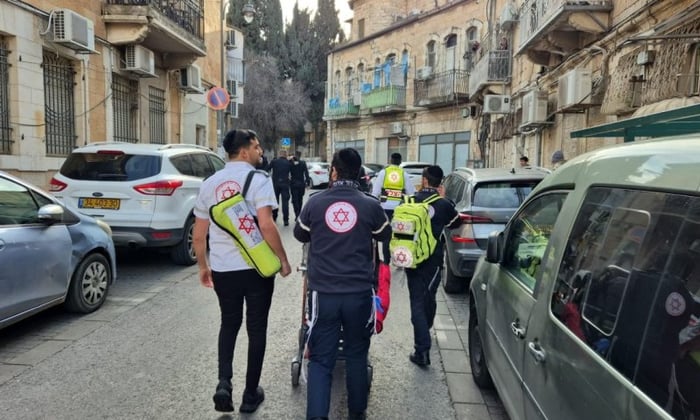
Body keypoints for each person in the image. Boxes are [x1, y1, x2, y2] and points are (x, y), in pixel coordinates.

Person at [192, 129, 292, 414]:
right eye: (257, 147)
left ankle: (224, 382)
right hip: (257, 269)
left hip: (224, 269)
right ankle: (250, 394)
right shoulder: (259, 180)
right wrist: (282, 260)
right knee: (256, 328)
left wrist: (203, 266)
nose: (261, 152)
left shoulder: (209, 184)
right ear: (245, 150)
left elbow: (199, 236)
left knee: (229, 323)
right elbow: (267, 225)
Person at [294, 148, 391, 420]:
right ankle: (357, 413)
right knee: (357, 354)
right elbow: (385, 234)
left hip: (323, 293)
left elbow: (300, 233)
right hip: (359, 293)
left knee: (321, 359)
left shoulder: (316, 202)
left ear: (333, 171)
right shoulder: (370, 205)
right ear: (360, 173)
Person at [404, 166, 460, 367]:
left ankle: (422, 342)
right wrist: (444, 198)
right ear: (440, 183)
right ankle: (423, 346)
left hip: (411, 258)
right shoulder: (444, 204)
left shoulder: (410, 200)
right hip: (433, 261)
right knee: (428, 296)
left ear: (424, 180)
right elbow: (455, 223)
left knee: (416, 300)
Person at [371, 152, 415, 262]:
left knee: (386, 235)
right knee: (398, 235)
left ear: (390, 160)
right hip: (399, 210)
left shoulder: (383, 173)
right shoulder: (403, 174)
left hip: (384, 208)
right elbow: (411, 193)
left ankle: (386, 260)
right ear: (400, 162)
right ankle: (399, 259)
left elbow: (375, 192)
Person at [268, 149, 292, 225]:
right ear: (285, 155)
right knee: (285, 203)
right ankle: (286, 220)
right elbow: (292, 172)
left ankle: (274, 217)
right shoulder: (288, 163)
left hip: (275, 184)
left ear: (279, 154)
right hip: (285, 184)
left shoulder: (274, 162)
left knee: (275, 202)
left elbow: (267, 169)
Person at [289, 151, 311, 221]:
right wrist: (308, 182)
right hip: (301, 184)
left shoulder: (291, 163)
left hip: (293, 184)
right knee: (300, 199)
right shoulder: (303, 163)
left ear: (295, 155)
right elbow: (306, 173)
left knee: (295, 200)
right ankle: (299, 214)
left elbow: (287, 171)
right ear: (300, 155)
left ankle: (297, 214)